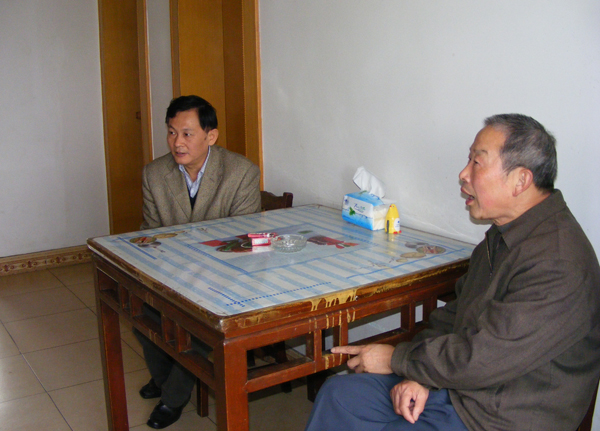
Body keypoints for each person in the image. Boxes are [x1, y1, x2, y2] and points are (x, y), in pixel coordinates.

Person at [304, 114, 600, 431]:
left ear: (520, 181)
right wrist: (420, 376)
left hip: (501, 414)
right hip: (462, 385)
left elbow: (485, 358)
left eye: (477, 162)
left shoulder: (557, 263)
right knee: (339, 396)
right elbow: (454, 317)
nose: (463, 174)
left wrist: (397, 360)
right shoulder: (503, 236)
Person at [134, 95, 261, 429]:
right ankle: (164, 378)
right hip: (173, 272)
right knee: (141, 313)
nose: (177, 142)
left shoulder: (241, 172)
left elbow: (243, 241)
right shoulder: (154, 174)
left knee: (201, 326)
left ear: (211, 136)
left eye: (188, 134)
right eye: (171, 132)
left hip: (225, 276)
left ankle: (172, 398)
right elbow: (151, 232)